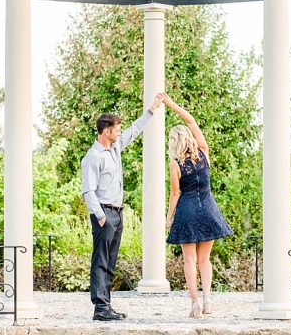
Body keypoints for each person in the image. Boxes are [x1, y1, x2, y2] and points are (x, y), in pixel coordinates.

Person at [81, 96, 164, 321]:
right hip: (104, 214)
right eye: (116, 130)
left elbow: (134, 131)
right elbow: (88, 190)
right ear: (106, 131)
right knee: (101, 260)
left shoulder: (115, 149)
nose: (119, 133)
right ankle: (100, 308)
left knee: (111, 260)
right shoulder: (93, 157)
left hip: (117, 212)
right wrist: (100, 216)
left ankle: (106, 306)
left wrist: (151, 111)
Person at [158, 92, 233, 318]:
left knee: (189, 260)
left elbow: (175, 193)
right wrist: (172, 105)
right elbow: (190, 120)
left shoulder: (175, 163)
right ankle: (208, 302)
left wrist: (169, 218)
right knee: (204, 259)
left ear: (173, 143)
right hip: (208, 209)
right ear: (189, 137)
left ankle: (194, 305)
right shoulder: (204, 152)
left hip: (187, 212)